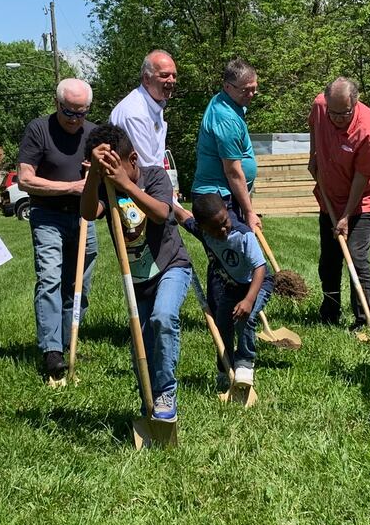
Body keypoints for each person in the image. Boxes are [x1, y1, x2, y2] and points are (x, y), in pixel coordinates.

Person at [80, 121, 192, 422]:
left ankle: (166, 391)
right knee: (141, 344)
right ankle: (149, 402)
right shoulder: (105, 187)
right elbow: (89, 213)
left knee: (163, 318)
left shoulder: (154, 176)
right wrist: (95, 176)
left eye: (113, 167)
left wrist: (126, 185)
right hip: (137, 279)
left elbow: (161, 213)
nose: (110, 176)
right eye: (102, 168)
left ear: (131, 160)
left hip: (171, 266)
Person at [17, 78, 98, 383]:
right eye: (69, 112)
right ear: (57, 104)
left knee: (79, 286)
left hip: (83, 218)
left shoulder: (93, 133)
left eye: (82, 112)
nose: (76, 119)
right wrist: (71, 187)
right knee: (50, 278)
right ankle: (51, 351)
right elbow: (25, 179)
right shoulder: (39, 129)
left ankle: (67, 342)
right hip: (47, 215)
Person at [308, 76, 370, 327]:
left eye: (344, 114)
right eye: (333, 113)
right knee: (329, 259)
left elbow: (362, 178)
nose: (337, 119)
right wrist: (314, 155)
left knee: (355, 255)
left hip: (363, 198)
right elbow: (314, 125)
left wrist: (345, 216)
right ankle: (330, 312)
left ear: (356, 101)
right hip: (330, 194)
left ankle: (364, 319)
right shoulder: (321, 106)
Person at [183, 192, 270, 390]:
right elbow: (184, 217)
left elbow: (260, 268)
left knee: (245, 318)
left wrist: (248, 300)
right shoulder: (203, 232)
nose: (222, 229)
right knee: (222, 324)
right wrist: (169, 205)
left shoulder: (243, 234)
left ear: (227, 211)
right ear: (202, 227)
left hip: (259, 282)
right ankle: (224, 368)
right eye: (215, 228)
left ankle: (245, 364)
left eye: (224, 221)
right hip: (233, 285)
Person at [191, 57, 262, 231]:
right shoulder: (226, 118)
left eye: (254, 89)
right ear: (227, 86)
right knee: (240, 253)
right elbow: (233, 171)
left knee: (236, 253)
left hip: (227, 193)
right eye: (246, 90)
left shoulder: (229, 101)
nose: (251, 94)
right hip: (218, 199)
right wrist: (250, 212)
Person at [109, 50, 178, 172]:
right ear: (147, 79)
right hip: (134, 187)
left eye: (174, 75)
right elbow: (146, 168)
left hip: (150, 183)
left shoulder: (154, 104)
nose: (171, 80)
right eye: (164, 75)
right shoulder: (135, 113)